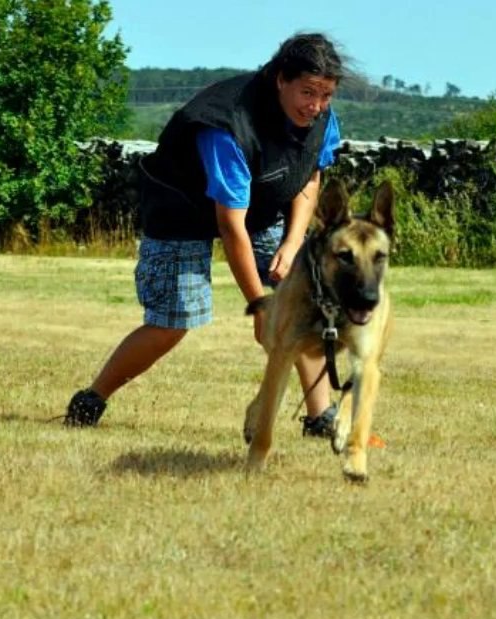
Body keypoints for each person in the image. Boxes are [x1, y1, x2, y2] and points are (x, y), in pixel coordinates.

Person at [64, 32, 345, 437]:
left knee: (302, 300)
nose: (316, 106)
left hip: (260, 205)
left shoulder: (319, 118)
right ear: (281, 79)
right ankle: (90, 400)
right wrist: (260, 306)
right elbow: (231, 225)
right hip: (180, 207)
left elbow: (309, 175)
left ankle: (320, 419)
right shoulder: (227, 124)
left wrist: (291, 240)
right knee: (173, 320)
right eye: (307, 92)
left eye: (326, 95)